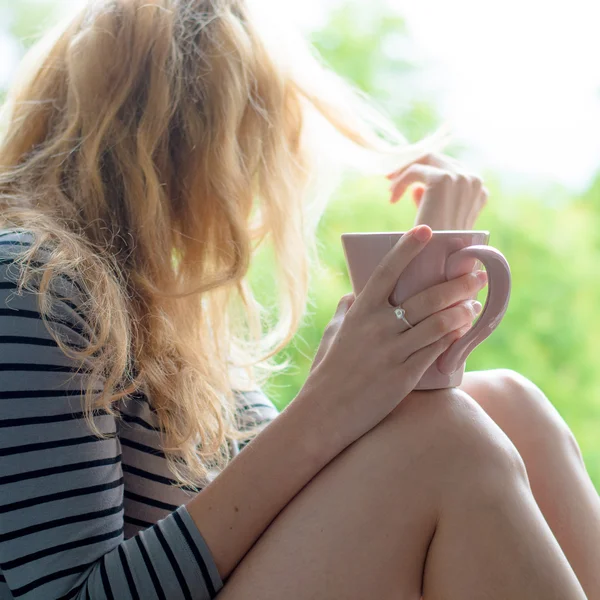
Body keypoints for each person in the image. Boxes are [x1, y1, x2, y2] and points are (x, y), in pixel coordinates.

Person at [0, 0, 597, 598]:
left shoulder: (174, 318)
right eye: (258, 138)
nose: (267, 178)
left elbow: (299, 516)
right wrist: (321, 412)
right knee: (446, 439)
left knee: (506, 402)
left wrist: (424, 261)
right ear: (192, 144)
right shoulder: (33, 279)